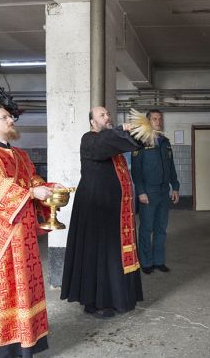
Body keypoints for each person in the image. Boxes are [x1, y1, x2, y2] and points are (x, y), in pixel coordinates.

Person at [0, 104, 61, 358]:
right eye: (4, 117)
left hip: (24, 234)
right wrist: (31, 193)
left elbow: (32, 179)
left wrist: (49, 188)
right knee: (2, 288)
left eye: (10, 116)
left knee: (25, 288)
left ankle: (25, 343)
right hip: (0, 236)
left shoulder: (20, 154)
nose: (10, 120)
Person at [60, 106, 143, 319]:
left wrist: (142, 131)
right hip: (94, 210)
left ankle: (117, 298)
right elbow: (104, 143)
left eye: (108, 114)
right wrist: (120, 129)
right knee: (96, 256)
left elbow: (130, 143)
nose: (107, 117)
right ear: (92, 122)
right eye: (102, 115)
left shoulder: (111, 142)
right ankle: (93, 302)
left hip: (114, 212)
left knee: (113, 256)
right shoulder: (89, 139)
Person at [131, 109, 179, 274]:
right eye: (155, 119)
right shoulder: (140, 142)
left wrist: (176, 187)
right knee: (146, 227)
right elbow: (136, 171)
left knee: (161, 228)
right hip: (149, 191)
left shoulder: (165, 142)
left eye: (160, 119)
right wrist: (141, 192)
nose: (158, 121)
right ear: (148, 121)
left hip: (164, 190)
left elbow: (171, 167)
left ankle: (159, 261)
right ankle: (146, 262)